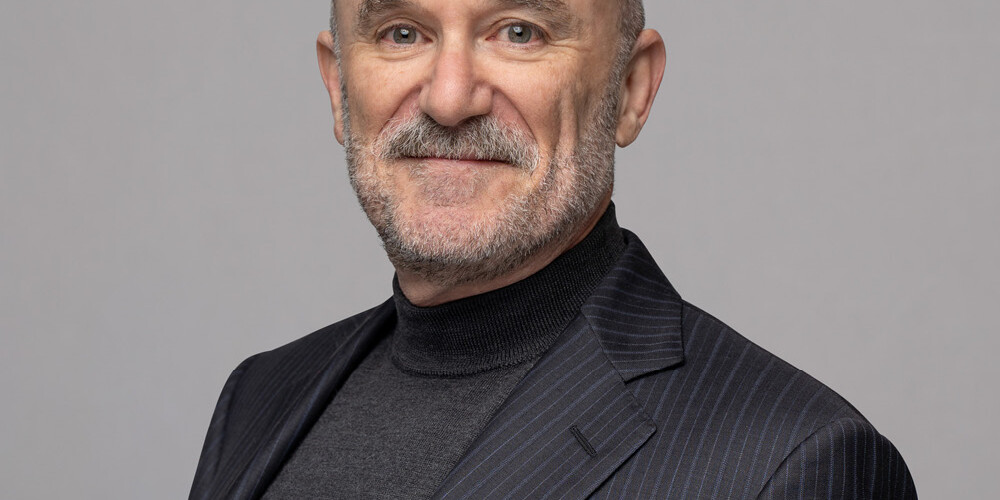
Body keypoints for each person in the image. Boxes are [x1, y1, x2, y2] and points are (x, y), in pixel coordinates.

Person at [190, 0, 916, 498]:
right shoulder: (258, 400)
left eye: (520, 31)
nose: (449, 98)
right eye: (403, 32)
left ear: (631, 89)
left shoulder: (795, 464)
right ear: (337, 86)